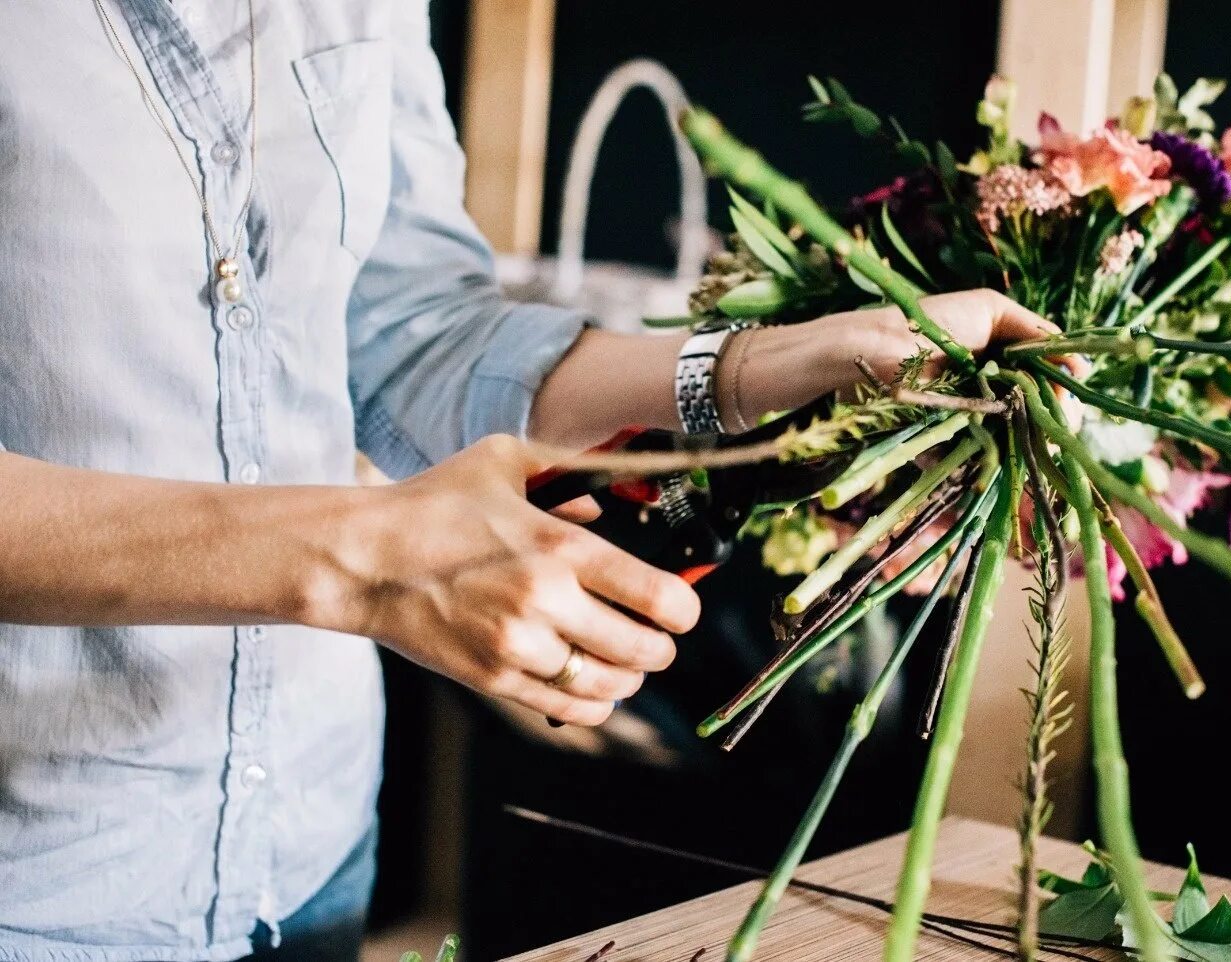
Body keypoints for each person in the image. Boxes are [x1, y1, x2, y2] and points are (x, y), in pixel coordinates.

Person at [0, 3, 1058, 961]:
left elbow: (414, 329)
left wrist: (767, 368)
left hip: (307, 853)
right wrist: (364, 558)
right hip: (37, 884)